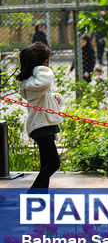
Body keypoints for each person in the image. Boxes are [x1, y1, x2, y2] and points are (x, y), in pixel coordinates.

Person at [16, 42, 63, 189]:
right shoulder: (33, 82)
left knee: (46, 165)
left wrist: (55, 97)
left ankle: (41, 198)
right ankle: (31, 194)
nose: (48, 65)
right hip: (41, 126)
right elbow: (45, 80)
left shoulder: (34, 83)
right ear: (41, 64)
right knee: (54, 164)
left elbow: (44, 94)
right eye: (47, 61)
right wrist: (40, 67)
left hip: (44, 125)